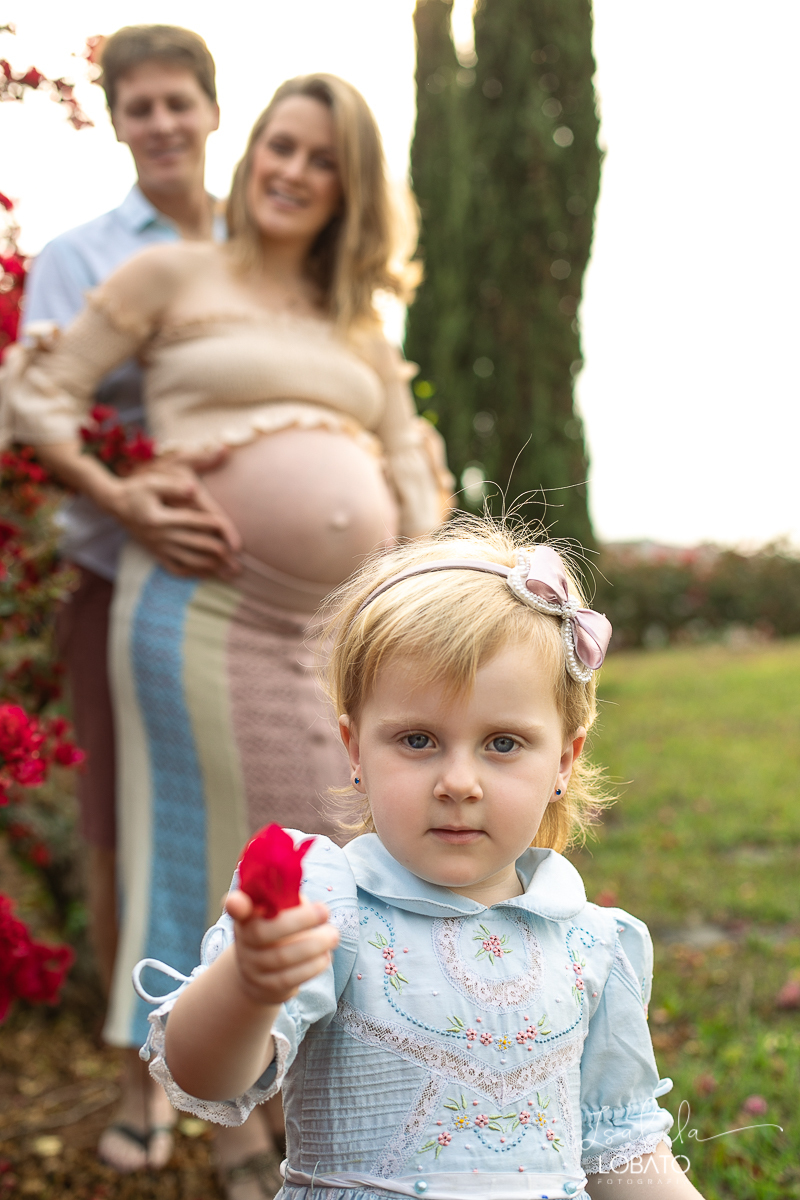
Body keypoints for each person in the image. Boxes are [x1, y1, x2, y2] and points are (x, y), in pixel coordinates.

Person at [3, 72, 452, 1199]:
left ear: (350, 190)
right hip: (199, 610)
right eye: (280, 147)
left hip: (329, 638)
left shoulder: (354, 322)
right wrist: (122, 496)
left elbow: (407, 472)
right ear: (249, 153)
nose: (293, 173)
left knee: (329, 858)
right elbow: (38, 398)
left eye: (322, 160)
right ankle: (225, 1121)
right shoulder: (171, 273)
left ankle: (303, 1089)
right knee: (211, 851)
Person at [134, 522, 705, 1200]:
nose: (458, 781)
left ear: (564, 759)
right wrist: (248, 987)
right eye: (417, 739)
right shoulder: (328, 905)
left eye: (502, 743)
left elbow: (622, 1151)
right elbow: (204, 1076)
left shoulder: (594, 944)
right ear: (354, 749)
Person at [15, 24, 238, 1179]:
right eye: (138, 106)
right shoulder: (79, 256)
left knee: (278, 829)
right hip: (121, 578)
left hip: (262, 596)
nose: (159, 123)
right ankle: (140, 1082)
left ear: (211, 109)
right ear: (114, 121)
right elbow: (36, 412)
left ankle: (268, 1071)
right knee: (123, 836)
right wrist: (132, 503)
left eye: (176, 103)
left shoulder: (270, 241)